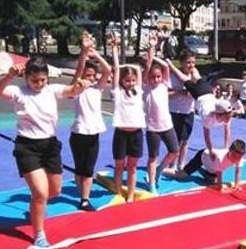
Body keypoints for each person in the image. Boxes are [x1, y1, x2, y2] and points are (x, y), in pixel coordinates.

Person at [0, 57, 86, 248]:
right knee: (41, 193)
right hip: (27, 147)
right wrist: (8, 76)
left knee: (55, 191)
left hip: (50, 146)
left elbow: (70, 90)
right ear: (26, 77)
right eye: (34, 80)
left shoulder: (51, 90)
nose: (39, 84)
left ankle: (37, 205)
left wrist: (80, 86)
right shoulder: (18, 92)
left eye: (43, 80)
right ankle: (39, 234)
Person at [69, 31, 111, 210]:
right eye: (88, 75)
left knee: (88, 168)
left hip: (93, 133)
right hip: (78, 133)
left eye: (93, 75)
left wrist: (95, 54)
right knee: (79, 168)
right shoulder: (76, 89)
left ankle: (84, 199)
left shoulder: (97, 89)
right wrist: (84, 53)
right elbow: (78, 72)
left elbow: (108, 70)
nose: (91, 78)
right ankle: (82, 194)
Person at [168, 58, 233, 156]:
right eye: (226, 116)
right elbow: (207, 137)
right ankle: (171, 65)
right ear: (220, 114)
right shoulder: (207, 117)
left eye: (229, 116)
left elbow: (227, 132)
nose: (228, 119)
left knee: (198, 78)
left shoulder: (227, 114)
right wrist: (210, 150)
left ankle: (192, 68)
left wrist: (226, 148)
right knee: (185, 79)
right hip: (199, 93)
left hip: (209, 92)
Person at [109, 34, 146, 202]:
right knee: (119, 165)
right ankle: (118, 193)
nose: (130, 83)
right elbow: (116, 69)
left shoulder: (139, 92)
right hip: (121, 134)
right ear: (122, 81)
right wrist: (115, 48)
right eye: (127, 80)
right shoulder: (117, 92)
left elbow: (138, 71)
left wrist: (134, 65)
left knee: (132, 167)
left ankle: (130, 195)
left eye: (132, 80)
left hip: (136, 133)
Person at [143, 32, 179, 194]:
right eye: (153, 77)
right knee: (152, 157)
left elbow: (164, 66)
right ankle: (151, 184)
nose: (156, 79)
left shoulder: (164, 84)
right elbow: (148, 67)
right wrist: (151, 48)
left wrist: (155, 50)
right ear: (149, 78)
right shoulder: (146, 87)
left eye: (158, 77)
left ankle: (159, 170)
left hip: (167, 125)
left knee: (174, 151)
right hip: (152, 128)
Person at [165, 139, 246, 191]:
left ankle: (199, 169)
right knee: (182, 176)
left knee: (210, 181)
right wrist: (220, 187)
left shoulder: (238, 157)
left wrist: (237, 185)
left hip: (212, 166)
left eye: (239, 157)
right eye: (234, 156)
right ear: (229, 151)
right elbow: (219, 174)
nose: (236, 159)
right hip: (202, 157)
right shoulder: (221, 158)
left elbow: (238, 171)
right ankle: (162, 169)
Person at [168, 50, 196, 170]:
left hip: (188, 112)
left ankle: (181, 165)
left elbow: (198, 92)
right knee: (175, 141)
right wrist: (180, 92)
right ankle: (171, 164)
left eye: (193, 62)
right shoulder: (172, 76)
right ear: (181, 62)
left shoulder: (194, 76)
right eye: (188, 62)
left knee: (184, 140)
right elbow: (165, 93)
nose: (191, 65)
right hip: (174, 111)